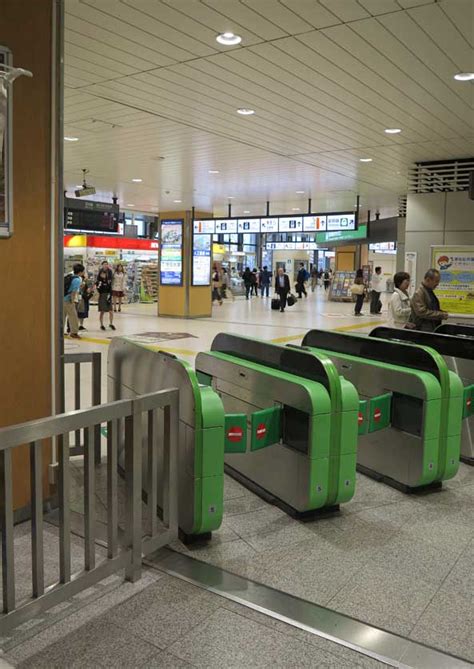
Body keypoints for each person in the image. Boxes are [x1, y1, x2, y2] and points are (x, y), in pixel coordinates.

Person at [64, 263, 85, 339]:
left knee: (63, 316)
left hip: (62, 298)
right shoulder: (77, 280)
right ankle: (74, 333)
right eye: (83, 271)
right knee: (73, 317)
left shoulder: (70, 276)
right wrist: (72, 302)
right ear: (80, 272)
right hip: (68, 300)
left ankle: (59, 332)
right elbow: (73, 292)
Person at [96, 266, 115, 331]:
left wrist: (110, 295)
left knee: (111, 311)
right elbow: (98, 289)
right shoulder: (99, 282)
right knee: (102, 311)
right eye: (102, 273)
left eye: (105, 274)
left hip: (108, 296)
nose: (104, 275)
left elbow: (110, 288)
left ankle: (111, 323)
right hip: (102, 296)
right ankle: (101, 324)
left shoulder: (108, 281)